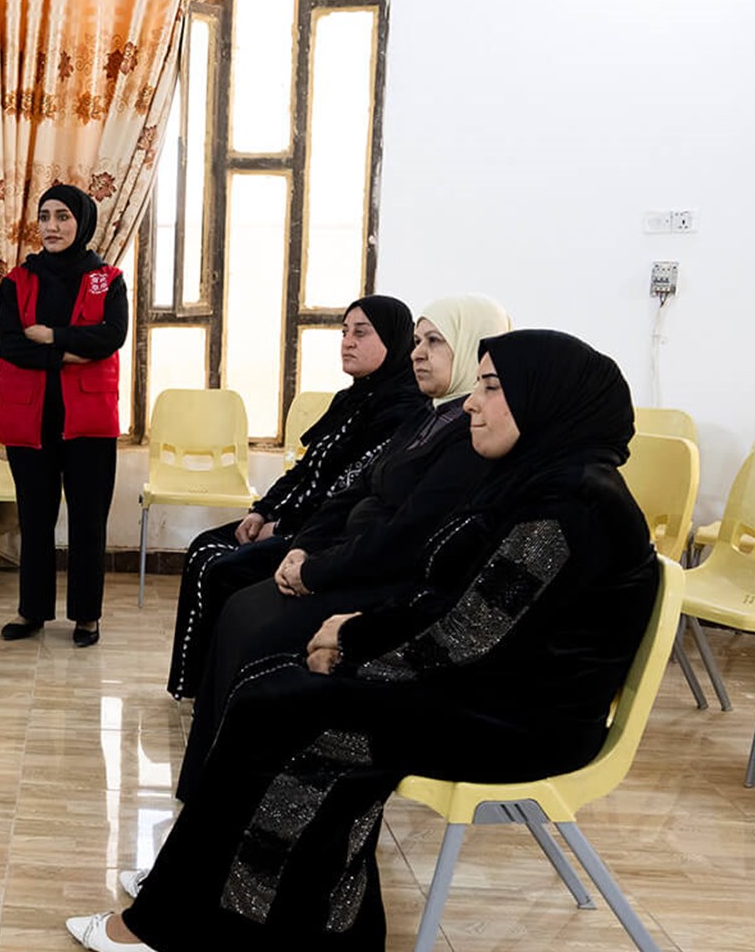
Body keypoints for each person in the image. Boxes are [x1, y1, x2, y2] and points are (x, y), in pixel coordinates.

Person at [67, 330, 657, 952]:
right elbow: (451, 603)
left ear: (545, 401)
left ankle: (189, 925)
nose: (472, 402)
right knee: (270, 689)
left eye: (492, 387)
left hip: (522, 724)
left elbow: (470, 634)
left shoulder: (572, 505)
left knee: (281, 706)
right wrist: (357, 633)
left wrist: (353, 648)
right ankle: (202, 890)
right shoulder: (544, 481)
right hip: (494, 693)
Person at [172, 295, 511, 798]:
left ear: (469, 349)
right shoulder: (428, 417)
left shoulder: (469, 436)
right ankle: (213, 785)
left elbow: (404, 537)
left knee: (258, 626)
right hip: (345, 557)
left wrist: (314, 571)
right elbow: (353, 490)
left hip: (385, 581)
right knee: (241, 608)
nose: (419, 353)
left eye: (435, 342)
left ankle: (247, 792)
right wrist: (303, 548)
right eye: (418, 341)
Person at [165, 297, 426, 698]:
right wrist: (262, 511)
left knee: (224, 569)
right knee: (204, 547)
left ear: (394, 340)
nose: (347, 342)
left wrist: (285, 527)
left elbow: (347, 489)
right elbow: (305, 468)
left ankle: (221, 689)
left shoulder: (403, 409)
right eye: (344, 332)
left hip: (321, 536)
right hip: (289, 519)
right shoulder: (350, 400)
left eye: (361, 333)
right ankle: (196, 684)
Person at [0, 183, 128, 647]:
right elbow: (9, 344)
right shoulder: (17, 280)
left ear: (82, 221)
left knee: (89, 520)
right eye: (45, 216)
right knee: (35, 519)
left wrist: (50, 336)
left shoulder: (107, 279)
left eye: (63, 216)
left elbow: (110, 336)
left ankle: (87, 617)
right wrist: (69, 353)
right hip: (31, 420)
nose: (51, 226)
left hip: (88, 421)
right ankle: (31, 611)